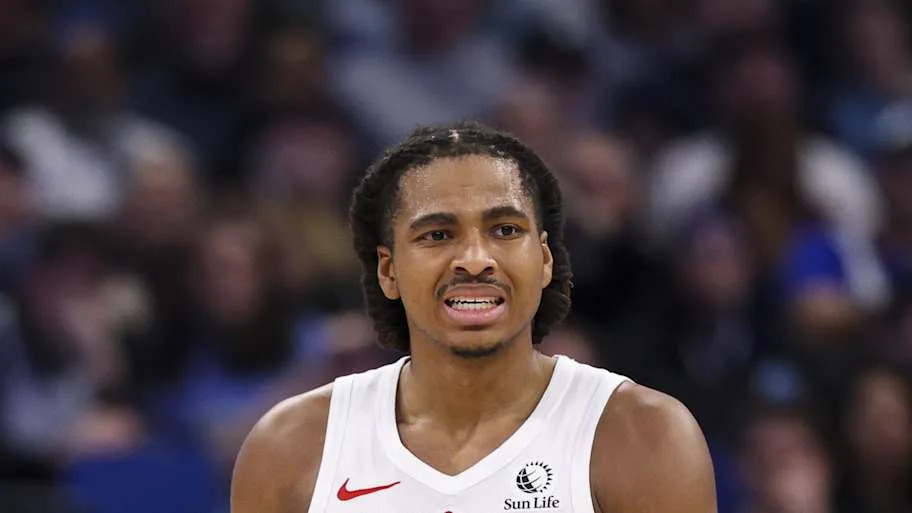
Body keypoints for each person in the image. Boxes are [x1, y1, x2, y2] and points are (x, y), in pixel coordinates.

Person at [230, 122, 717, 513]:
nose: (475, 259)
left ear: (544, 259)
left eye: (505, 229)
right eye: (438, 235)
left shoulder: (642, 435)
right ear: (388, 270)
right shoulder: (293, 446)